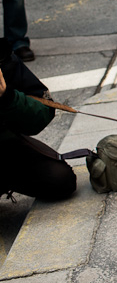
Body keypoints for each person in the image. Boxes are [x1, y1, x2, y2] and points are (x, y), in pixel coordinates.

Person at [0, 39, 75, 201]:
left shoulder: (3, 59)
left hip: (3, 144)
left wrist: (7, 97)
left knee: (59, 179)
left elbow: (42, 115)